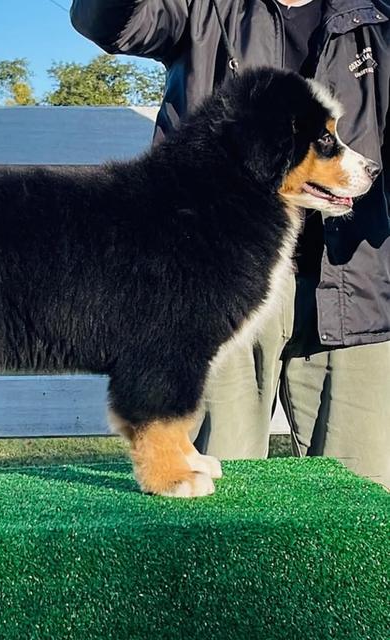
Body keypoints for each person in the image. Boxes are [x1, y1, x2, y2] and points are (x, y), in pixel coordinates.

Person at [71, 0, 390, 487]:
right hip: (212, 284)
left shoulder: (380, 19)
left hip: (358, 282)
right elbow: (109, 23)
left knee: (366, 504)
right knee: (214, 501)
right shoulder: (200, 7)